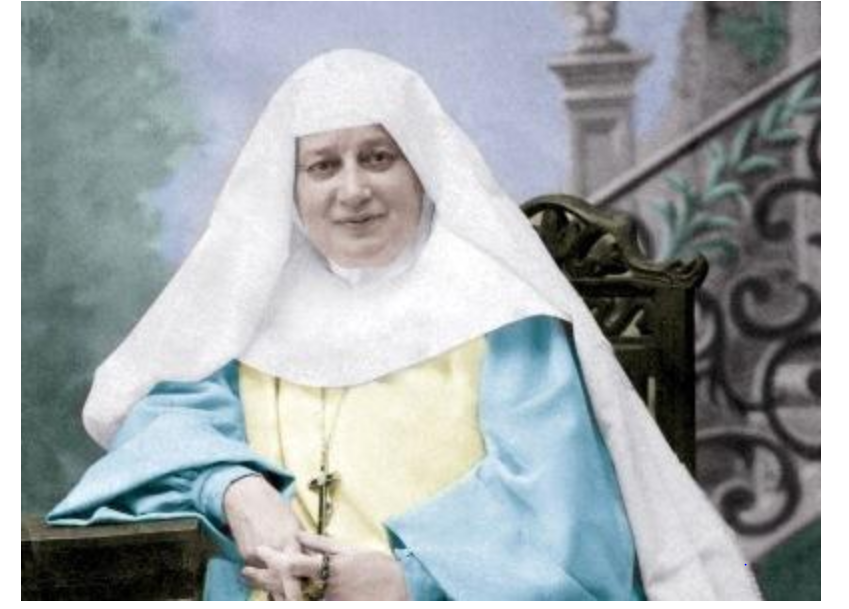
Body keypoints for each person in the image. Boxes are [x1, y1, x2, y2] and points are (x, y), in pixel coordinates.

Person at [48, 50, 761, 601]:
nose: (352, 189)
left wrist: (405, 578)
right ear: (292, 190)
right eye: (322, 166)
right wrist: (236, 488)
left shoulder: (503, 317)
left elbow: (567, 527)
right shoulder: (252, 316)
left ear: (421, 170)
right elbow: (163, 425)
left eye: (377, 157)